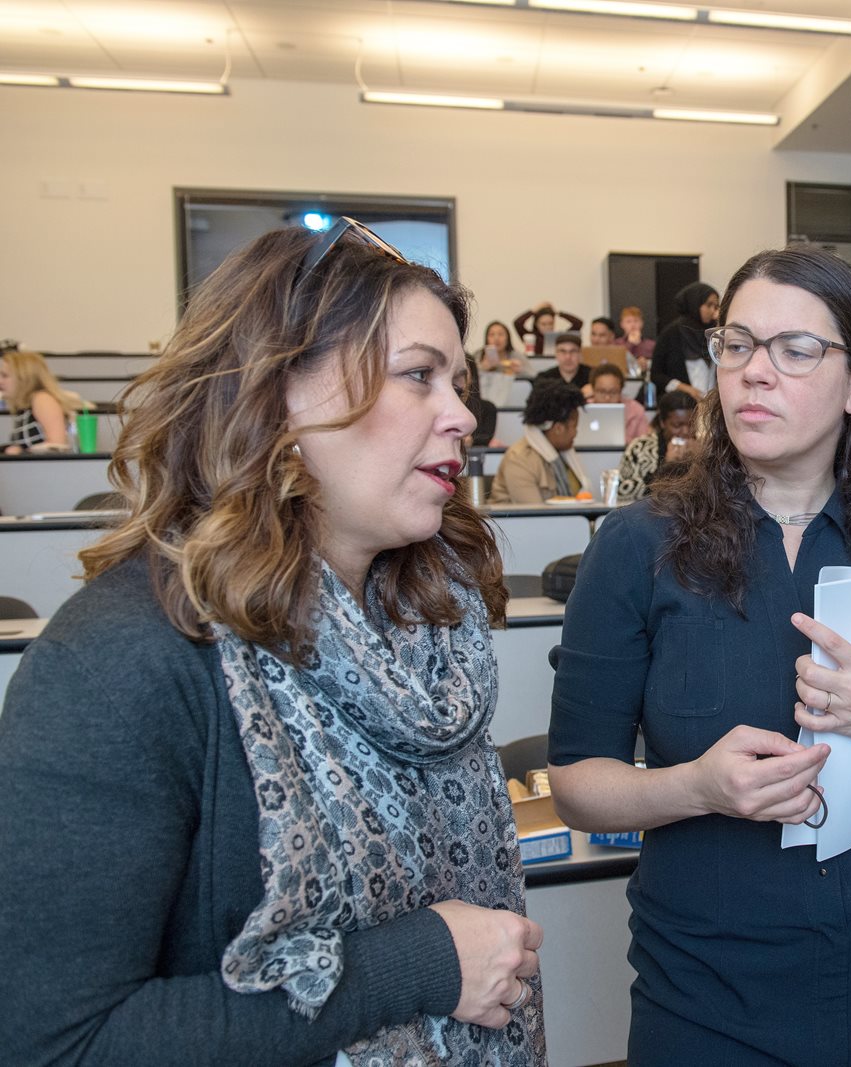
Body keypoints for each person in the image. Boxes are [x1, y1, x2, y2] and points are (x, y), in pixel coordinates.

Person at [0, 220, 547, 1066]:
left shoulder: (427, 631)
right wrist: (416, 964)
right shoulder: (119, 661)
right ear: (278, 395)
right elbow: (56, 1044)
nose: (463, 416)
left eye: (460, 382)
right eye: (419, 377)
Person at [548, 245, 851, 1066]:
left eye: (795, 350)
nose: (756, 371)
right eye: (738, 344)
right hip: (706, 993)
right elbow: (577, 783)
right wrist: (697, 787)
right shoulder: (637, 546)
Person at [491, 378, 588, 503]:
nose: (576, 433)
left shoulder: (564, 453)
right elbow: (535, 517)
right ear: (558, 428)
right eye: (574, 426)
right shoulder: (519, 460)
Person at [613, 387, 697, 502]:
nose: (686, 431)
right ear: (663, 422)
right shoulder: (640, 447)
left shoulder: (705, 447)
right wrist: (667, 465)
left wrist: (699, 460)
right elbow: (620, 490)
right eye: (677, 425)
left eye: (691, 424)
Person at [1, 349, 84, 453]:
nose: (0, 381)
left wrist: (21, 452)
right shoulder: (24, 405)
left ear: (23, 377)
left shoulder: (42, 399)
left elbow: (57, 445)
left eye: (5, 376)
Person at [648, 281, 719, 401]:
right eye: (708, 305)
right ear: (694, 304)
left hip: (710, 404)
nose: (713, 311)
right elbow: (656, 374)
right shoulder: (672, 333)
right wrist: (685, 389)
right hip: (682, 406)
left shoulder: (713, 333)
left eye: (716, 306)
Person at [589, 360, 651, 444]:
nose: (607, 398)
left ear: (621, 390)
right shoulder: (583, 410)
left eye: (613, 392)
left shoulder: (635, 411)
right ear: (593, 390)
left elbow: (645, 445)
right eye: (602, 392)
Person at [513, 304, 582, 355]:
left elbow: (578, 323)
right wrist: (534, 310)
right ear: (536, 324)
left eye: (550, 323)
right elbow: (517, 323)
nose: (548, 327)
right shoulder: (530, 337)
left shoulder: (559, 338)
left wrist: (558, 313)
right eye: (543, 324)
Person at [618, 304, 655, 378]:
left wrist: (647, 363)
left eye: (636, 321)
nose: (633, 325)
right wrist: (630, 344)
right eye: (628, 321)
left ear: (641, 323)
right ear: (622, 324)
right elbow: (617, 361)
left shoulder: (651, 344)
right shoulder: (616, 343)